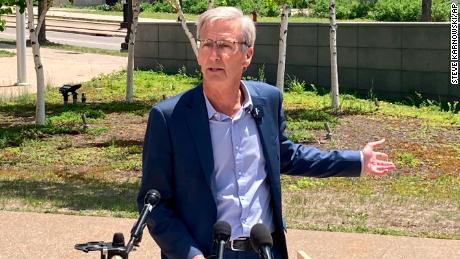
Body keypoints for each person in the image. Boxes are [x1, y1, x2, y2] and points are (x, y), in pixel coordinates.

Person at [137, 6, 396, 259]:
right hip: (207, 252)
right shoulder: (170, 117)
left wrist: (357, 161)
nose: (214, 55)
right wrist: (189, 254)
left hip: (264, 249)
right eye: (207, 44)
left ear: (247, 55)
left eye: (224, 45)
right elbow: (154, 203)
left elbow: (287, 156)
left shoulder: (267, 101)